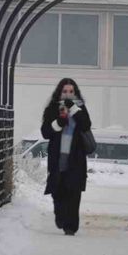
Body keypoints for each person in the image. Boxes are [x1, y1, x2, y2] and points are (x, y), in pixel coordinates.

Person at [41, 78, 92, 235]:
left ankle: (71, 227)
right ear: (59, 93)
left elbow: (86, 125)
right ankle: (60, 217)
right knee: (58, 192)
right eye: (65, 91)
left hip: (75, 159)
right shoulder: (52, 109)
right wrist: (59, 122)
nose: (68, 95)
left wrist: (75, 110)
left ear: (75, 92)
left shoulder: (80, 108)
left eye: (71, 91)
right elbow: (45, 132)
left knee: (73, 193)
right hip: (57, 159)